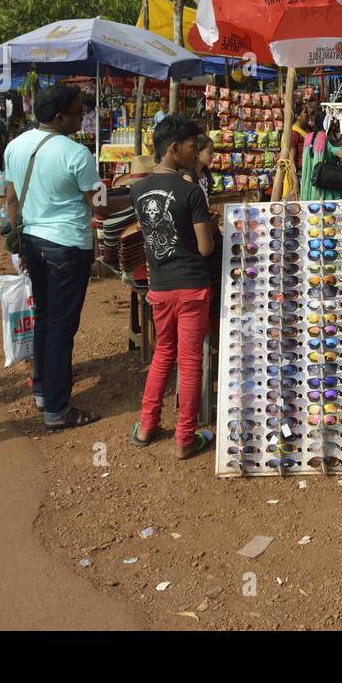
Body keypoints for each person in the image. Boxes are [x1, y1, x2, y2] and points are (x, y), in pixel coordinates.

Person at [4, 84, 102, 432]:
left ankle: (43, 390)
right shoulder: (76, 154)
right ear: (60, 118)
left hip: (32, 241)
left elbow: (11, 200)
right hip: (66, 247)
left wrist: (18, 243)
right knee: (61, 328)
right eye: (78, 112)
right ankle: (57, 410)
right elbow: (98, 204)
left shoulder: (15, 146)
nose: (82, 117)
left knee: (45, 318)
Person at [128, 115, 217, 459]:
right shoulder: (190, 191)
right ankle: (185, 438)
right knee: (191, 360)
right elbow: (206, 247)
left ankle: (147, 426)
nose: (197, 155)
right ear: (175, 148)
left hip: (160, 286)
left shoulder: (137, 189)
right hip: (192, 286)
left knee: (163, 355)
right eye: (194, 148)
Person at [289, 100, 311, 172]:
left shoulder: (306, 129)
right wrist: (295, 180)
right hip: (300, 171)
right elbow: (291, 159)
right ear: (297, 116)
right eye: (305, 112)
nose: (308, 114)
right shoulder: (294, 133)